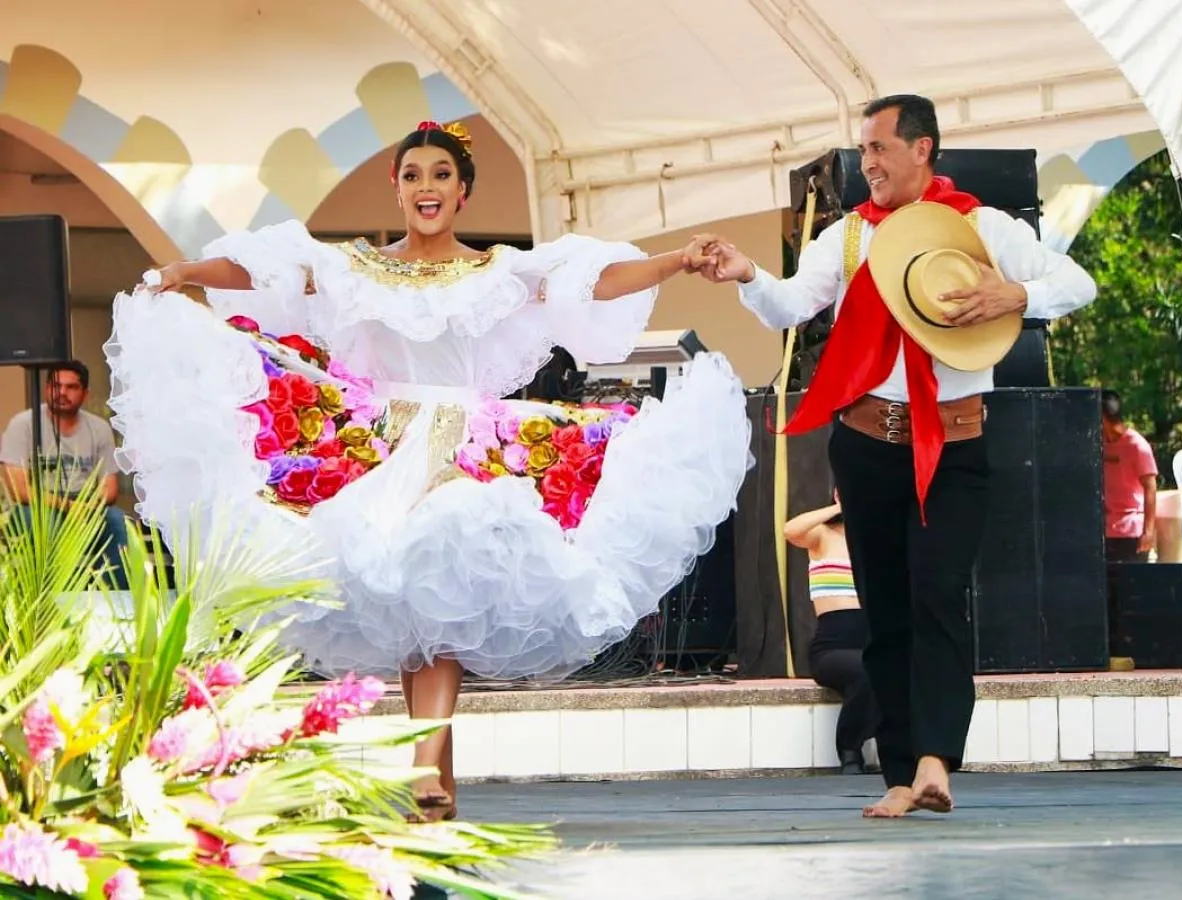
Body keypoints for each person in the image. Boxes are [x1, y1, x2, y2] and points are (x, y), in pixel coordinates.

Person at [105, 119, 752, 821]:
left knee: (438, 592)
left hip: (465, 449)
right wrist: (184, 273)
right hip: (376, 449)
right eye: (413, 175)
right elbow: (269, 274)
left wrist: (677, 260)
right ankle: (433, 790)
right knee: (421, 609)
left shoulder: (499, 272)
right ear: (396, 188)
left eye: (441, 175)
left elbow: (593, 283)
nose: (426, 187)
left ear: (463, 191)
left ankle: (422, 768)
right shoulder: (353, 268)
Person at [694, 95, 1097, 817]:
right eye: (864, 150)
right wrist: (747, 274)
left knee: (938, 593)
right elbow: (789, 306)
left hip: (956, 442)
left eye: (879, 148)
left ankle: (937, 760)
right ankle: (900, 775)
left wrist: (1017, 293)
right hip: (867, 445)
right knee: (884, 611)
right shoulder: (849, 238)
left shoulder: (981, 228)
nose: (867, 163)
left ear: (923, 150)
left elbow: (1078, 284)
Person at [0, 361, 129, 587]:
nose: (62, 392)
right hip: (36, 507)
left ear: (85, 393)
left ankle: (117, 603)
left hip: (84, 504)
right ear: (47, 389)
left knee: (117, 521)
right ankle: (54, 603)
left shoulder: (99, 428)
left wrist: (86, 507)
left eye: (71, 387)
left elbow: (109, 490)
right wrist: (69, 507)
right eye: (56, 386)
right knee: (45, 524)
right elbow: (19, 491)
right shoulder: (23, 425)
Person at [783, 491, 876, 775]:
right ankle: (850, 750)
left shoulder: (877, 540)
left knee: (889, 667)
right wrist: (839, 507)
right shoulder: (823, 535)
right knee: (866, 669)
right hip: (832, 648)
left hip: (873, 639)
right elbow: (791, 530)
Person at [1101, 389, 1157, 563]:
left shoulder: (1137, 446)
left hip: (1131, 532)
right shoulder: (1097, 443)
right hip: (1104, 530)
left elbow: (1150, 487)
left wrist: (1148, 532)